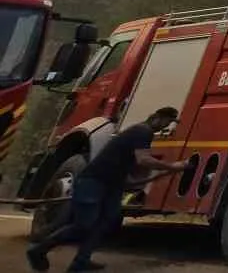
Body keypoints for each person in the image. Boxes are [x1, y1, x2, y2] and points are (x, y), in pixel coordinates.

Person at [27, 107, 187, 272]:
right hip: (93, 182)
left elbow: (127, 169)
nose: (166, 126)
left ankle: (81, 262)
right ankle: (38, 251)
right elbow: (143, 159)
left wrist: (154, 176)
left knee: (104, 222)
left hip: (111, 184)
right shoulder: (143, 131)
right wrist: (171, 166)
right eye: (167, 121)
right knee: (84, 225)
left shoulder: (139, 133)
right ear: (157, 118)